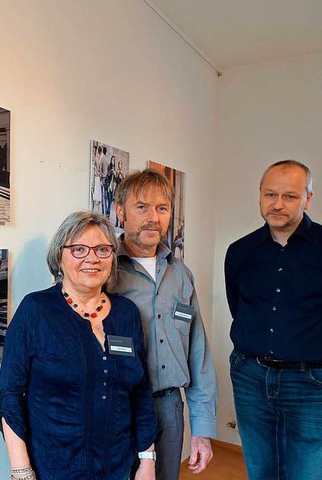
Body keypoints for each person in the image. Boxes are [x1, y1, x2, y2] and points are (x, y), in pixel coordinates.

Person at [0, 211, 156, 480]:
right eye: (79, 249)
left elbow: (140, 392)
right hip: (53, 469)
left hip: (118, 468)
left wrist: (147, 460)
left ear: (112, 258)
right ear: (60, 256)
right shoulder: (35, 310)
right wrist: (22, 471)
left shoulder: (127, 314)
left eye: (102, 249)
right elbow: (9, 396)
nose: (92, 258)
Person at [112, 169, 218, 480]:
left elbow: (198, 355)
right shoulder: (104, 272)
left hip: (170, 409)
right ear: (120, 211)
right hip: (119, 407)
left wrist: (202, 430)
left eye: (162, 208)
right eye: (141, 206)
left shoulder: (182, 276)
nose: (153, 218)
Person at [225, 160, 320, 480]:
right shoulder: (240, 251)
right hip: (250, 375)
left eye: (290, 196)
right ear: (260, 196)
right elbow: (238, 307)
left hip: (311, 382)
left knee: (307, 471)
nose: (277, 204)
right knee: (260, 467)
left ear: (308, 198)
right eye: (270, 194)